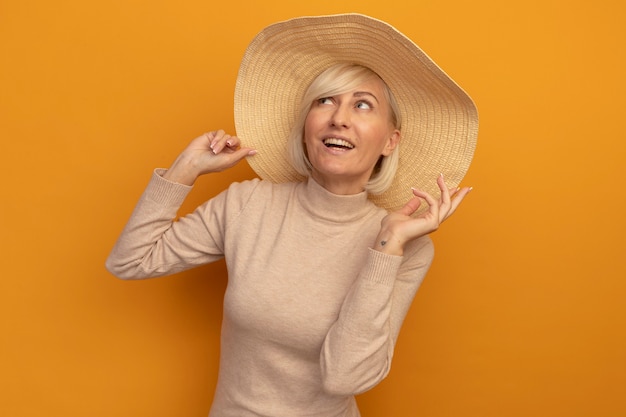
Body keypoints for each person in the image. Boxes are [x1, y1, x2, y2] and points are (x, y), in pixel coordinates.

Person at [106, 13, 478, 417]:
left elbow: (344, 378)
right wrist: (184, 169)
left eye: (363, 105)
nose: (340, 117)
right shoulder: (247, 205)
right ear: (307, 127)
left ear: (390, 141)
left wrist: (386, 247)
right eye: (325, 101)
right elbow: (130, 260)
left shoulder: (407, 248)